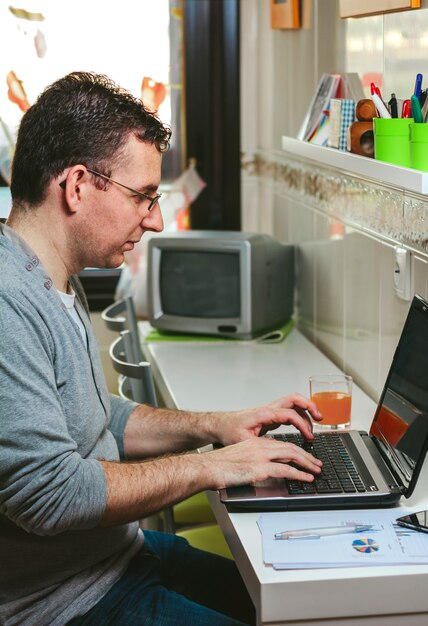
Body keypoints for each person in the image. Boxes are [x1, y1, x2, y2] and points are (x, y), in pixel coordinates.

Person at [0, 72, 323, 626]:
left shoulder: (53, 275)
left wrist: (220, 426)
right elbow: (51, 496)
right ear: (77, 186)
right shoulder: (8, 303)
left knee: (304, 609)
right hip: (65, 604)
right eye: (143, 196)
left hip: (116, 559)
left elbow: (103, 418)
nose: (154, 218)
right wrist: (213, 467)